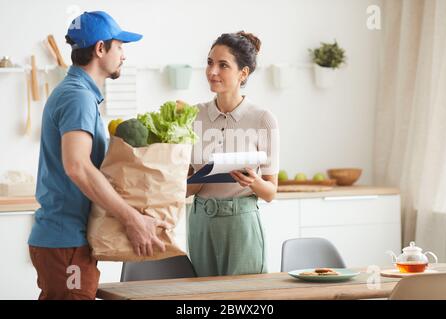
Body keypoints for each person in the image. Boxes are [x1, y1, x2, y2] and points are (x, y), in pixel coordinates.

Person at [28, 11, 169, 300]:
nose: (124, 55)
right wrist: (131, 219)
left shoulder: (77, 93)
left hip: (68, 242)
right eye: (119, 46)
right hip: (65, 243)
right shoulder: (77, 96)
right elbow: (77, 167)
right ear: (100, 48)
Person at [186, 31, 280, 277]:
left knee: (245, 298)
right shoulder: (193, 116)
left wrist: (254, 182)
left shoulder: (263, 119)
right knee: (202, 299)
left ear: (243, 73)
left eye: (223, 65)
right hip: (200, 221)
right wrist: (196, 181)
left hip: (242, 222)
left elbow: (270, 192)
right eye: (209, 62)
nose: (212, 71)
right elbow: (181, 185)